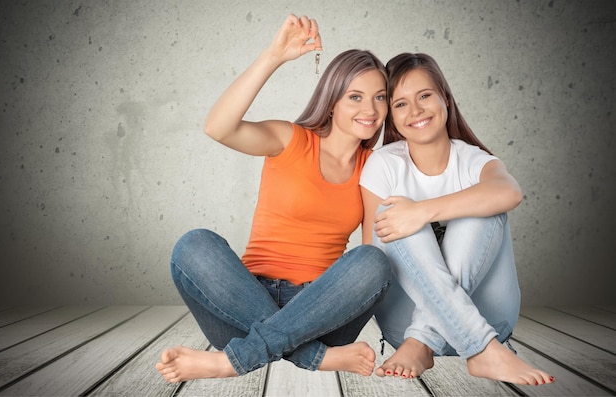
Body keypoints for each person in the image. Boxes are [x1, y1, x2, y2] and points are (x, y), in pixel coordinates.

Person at [156, 14, 391, 382]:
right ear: (332, 101)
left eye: (380, 97)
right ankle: (314, 358)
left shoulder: (375, 166)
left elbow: (369, 255)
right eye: (356, 96)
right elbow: (218, 127)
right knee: (194, 244)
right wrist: (274, 56)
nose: (371, 109)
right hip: (242, 306)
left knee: (374, 261)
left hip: (323, 313)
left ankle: (228, 362)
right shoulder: (290, 139)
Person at [359, 52, 555, 386]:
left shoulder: (473, 160)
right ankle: (481, 349)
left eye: (424, 96)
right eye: (401, 104)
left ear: (445, 99)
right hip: (402, 322)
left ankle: (427, 339)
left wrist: (422, 211)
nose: (416, 110)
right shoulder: (384, 164)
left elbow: (510, 193)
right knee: (392, 215)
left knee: (482, 208)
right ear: (391, 116)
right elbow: (372, 257)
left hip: (488, 315)